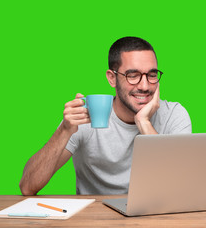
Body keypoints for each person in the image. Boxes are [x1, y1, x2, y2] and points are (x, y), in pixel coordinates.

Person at [19, 37, 192, 195]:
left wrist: (144, 122)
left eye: (152, 75)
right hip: (94, 218)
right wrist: (64, 131)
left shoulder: (174, 115)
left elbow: (181, 188)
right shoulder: (87, 115)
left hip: (154, 217)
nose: (145, 85)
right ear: (112, 78)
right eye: (133, 76)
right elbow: (28, 186)